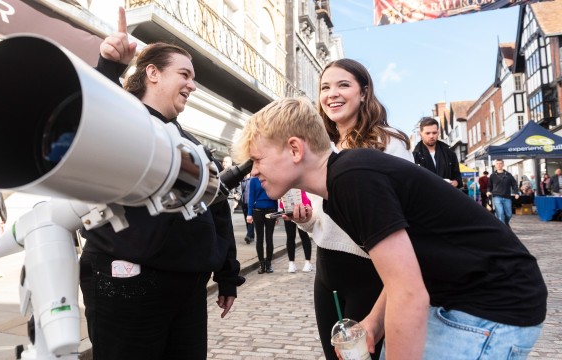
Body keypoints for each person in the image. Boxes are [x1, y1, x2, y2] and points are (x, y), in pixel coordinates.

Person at [231, 97, 547, 359]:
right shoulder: (339, 189)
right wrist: (374, 324)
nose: (253, 172)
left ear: (295, 149)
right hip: (457, 296)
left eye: (257, 160)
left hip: (495, 303)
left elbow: (408, 294)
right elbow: (401, 276)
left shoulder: (353, 179)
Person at [78, 8, 244, 359]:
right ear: (152, 73)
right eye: (184, 74)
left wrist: (228, 273)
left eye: (193, 77)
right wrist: (109, 67)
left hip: (187, 288)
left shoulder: (192, 143)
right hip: (127, 285)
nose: (193, 85)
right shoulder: (123, 118)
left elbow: (215, 206)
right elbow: (92, 115)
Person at [296, 58, 412, 359]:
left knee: (363, 356)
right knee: (334, 355)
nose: (332, 93)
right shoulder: (324, 147)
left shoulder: (390, 143)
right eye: (325, 87)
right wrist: (307, 222)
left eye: (342, 85)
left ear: (363, 92)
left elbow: (405, 217)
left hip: (371, 271)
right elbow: (326, 220)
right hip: (327, 270)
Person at [412, 117, 463, 189]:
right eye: (428, 133)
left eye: (434, 133)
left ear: (438, 132)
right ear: (421, 133)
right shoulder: (414, 156)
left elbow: (458, 176)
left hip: (447, 195)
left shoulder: (450, 153)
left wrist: (456, 182)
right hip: (426, 198)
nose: (431, 136)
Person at [247, 176, 278, 274]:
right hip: (257, 211)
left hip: (271, 210)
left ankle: (268, 264)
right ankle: (261, 264)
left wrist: (277, 213)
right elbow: (251, 196)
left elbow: (275, 196)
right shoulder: (254, 180)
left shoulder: (271, 177)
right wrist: (249, 213)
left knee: (269, 238)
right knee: (259, 238)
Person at [279, 189, 313, 273]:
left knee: (301, 236)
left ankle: (304, 262)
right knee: (294, 236)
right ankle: (293, 263)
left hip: (299, 205)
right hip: (292, 206)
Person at [487, 159, 519, 227]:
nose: (499, 165)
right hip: (496, 196)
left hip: (507, 197)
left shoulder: (508, 175)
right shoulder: (492, 175)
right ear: (495, 165)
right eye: (497, 163)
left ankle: (505, 224)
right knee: (500, 213)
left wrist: (516, 193)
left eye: (500, 163)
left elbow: (514, 184)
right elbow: (489, 185)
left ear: (503, 165)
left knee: (509, 214)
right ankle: (504, 228)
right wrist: (488, 191)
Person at [239, 173, 255, 244]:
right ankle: (251, 236)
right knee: (246, 219)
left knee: (250, 218)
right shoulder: (242, 180)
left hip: (251, 203)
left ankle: (248, 235)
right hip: (244, 202)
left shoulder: (253, 179)